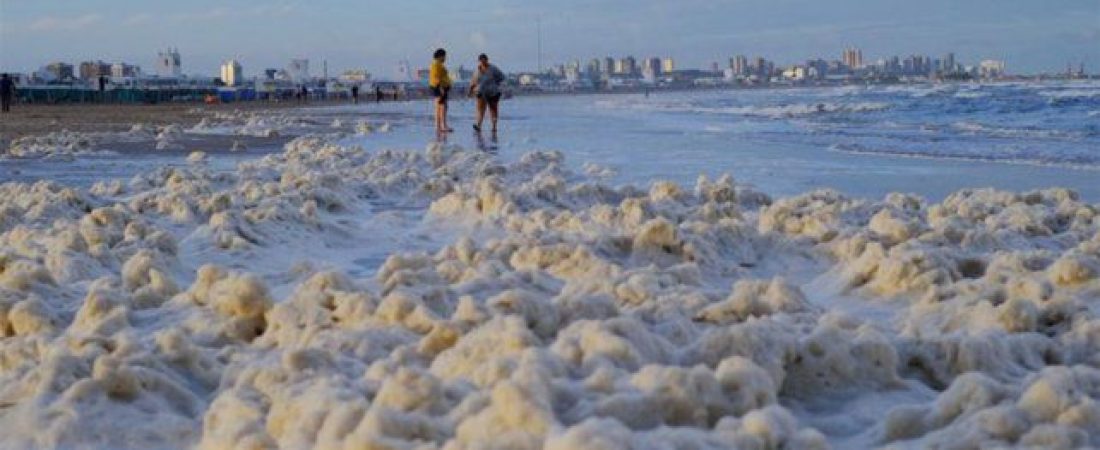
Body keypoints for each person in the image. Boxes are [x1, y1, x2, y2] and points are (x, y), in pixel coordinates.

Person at [469, 53, 505, 133]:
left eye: (484, 61)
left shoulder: (493, 68)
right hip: (481, 92)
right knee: (480, 109)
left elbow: (502, 77)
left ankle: (494, 127)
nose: (483, 63)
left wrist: (496, 84)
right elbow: (473, 82)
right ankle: (478, 125)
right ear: (479, 61)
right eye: (481, 61)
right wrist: (470, 91)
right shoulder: (477, 70)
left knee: (493, 109)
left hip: (493, 92)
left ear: (487, 60)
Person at [429, 48, 453, 132]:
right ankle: (443, 126)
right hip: (439, 87)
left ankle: (439, 126)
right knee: (442, 107)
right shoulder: (436, 64)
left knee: (439, 107)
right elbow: (436, 77)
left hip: (439, 87)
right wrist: (441, 88)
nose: (445, 58)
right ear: (440, 56)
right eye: (444, 56)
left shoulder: (437, 64)